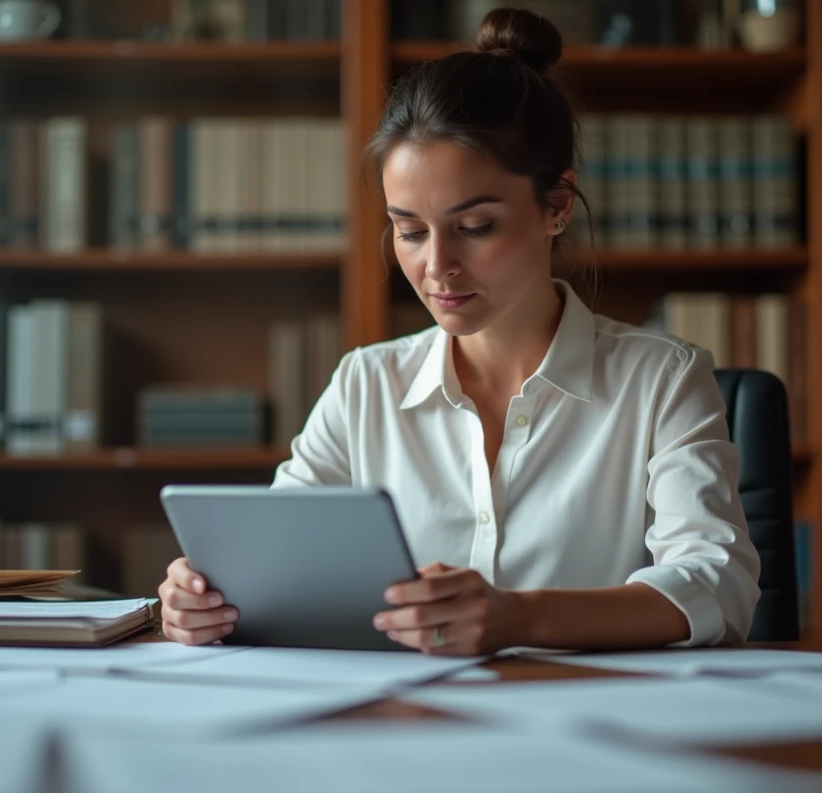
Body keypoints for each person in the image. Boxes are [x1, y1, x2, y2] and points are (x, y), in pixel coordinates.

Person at [159, 8, 761, 655]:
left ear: (557, 206)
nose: (436, 266)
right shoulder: (366, 384)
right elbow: (274, 568)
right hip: (404, 731)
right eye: (410, 230)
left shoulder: (661, 379)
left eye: (474, 227)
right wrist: (204, 599)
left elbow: (717, 583)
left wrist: (518, 619)